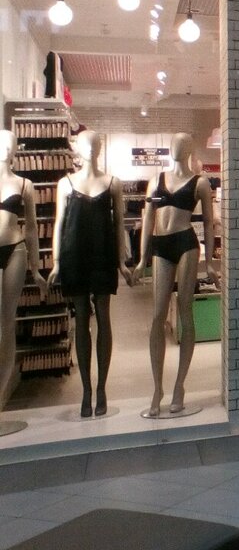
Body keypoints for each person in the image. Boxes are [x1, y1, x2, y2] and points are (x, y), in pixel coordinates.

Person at [132, 133, 219, 416]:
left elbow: (209, 222)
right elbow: (148, 218)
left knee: (184, 309)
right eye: (174, 143)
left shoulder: (200, 183)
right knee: (158, 315)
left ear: (191, 148)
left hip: (186, 243)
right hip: (161, 245)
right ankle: (157, 388)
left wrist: (210, 264)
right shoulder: (156, 181)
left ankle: (180, 385)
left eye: (182, 143)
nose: (176, 147)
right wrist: (141, 258)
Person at [49, 131, 131, 418]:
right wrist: (56, 262)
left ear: (100, 147)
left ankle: (102, 388)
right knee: (82, 317)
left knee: (104, 318)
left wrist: (122, 262)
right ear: (77, 148)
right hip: (74, 255)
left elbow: (119, 224)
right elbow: (59, 223)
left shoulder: (112, 183)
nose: (91, 147)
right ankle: (86, 389)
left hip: (103, 255)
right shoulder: (65, 183)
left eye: (95, 143)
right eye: (86, 143)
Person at [0, 131, 47, 409]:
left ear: (17, 149)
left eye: (11, 145)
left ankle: (1, 394)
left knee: (8, 321)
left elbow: (31, 228)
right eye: (2, 144)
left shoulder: (24, 184)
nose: (6, 149)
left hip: (15, 250)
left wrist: (36, 268)